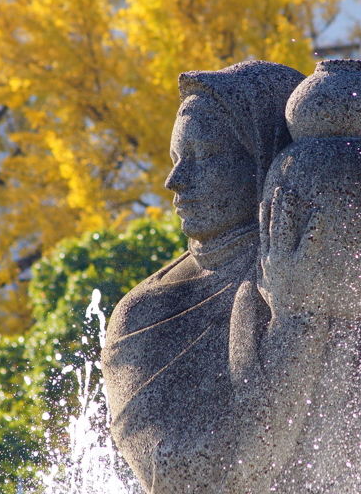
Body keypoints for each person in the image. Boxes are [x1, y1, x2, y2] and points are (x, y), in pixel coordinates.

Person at [102, 60, 318, 494]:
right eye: (176, 159)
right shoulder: (146, 314)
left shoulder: (334, 272)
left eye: (206, 155)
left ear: (267, 159)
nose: (175, 180)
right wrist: (295, 324)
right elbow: (186, 476)